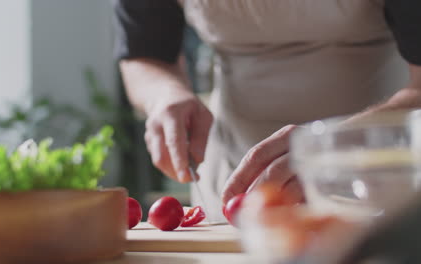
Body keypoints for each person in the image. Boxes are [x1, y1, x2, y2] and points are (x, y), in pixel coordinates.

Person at [114, 0, 421, 221]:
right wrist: (165, 94)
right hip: (230, 170)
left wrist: (334, 147)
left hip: (371, 167)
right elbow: (144, 54)